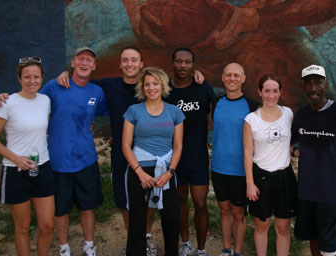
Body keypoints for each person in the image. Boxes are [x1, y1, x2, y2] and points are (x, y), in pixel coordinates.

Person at [55, 46, 204, 256]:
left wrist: (197, 75)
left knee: (159, 207)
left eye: (134, 60)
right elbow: (82, 81)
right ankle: (137, 242)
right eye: (125, 60)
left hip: (158, 161)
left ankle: (147, 238)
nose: (129, 64)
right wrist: (66, 75)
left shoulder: (160, 91)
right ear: (120, 64)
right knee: (129, 206)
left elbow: (182, 84)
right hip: (124, 157)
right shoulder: (110, 86)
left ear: (141, 64)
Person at [0, 47, 109, 256]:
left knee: (88, 207)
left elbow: (102, 111)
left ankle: (89, 246)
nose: (85, 63)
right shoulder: (54, 87)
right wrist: (5, 98)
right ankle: (64, 248)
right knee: (60, 210)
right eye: (81, 59)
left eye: (89, 60)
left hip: (86, 159)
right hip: (57, 161)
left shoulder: (97, 92)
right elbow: (29, 97)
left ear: (94, 66)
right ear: (73, 62)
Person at [291, 64, 336, 256]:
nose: (313, 88)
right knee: (313, 237)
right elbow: (290, 142)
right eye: (309, 84)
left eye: (318, 83)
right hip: (306, 192)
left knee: (329, 245)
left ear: (325, 85)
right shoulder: (302, 116)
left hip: (331, 193)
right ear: (304, 86)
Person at [0, 56, 55, 256]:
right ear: (19, 79)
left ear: (42, 78)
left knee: (48, 225)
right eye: (27, 77)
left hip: (41, 167)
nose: (32, 81)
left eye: (36, 77)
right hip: (15, 170)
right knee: (23, 228)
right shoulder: (7, 103)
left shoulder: (45, 101)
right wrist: (16, 158)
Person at [122, 67, 185, 256]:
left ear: (163, 85)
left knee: (172, 218)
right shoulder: (133, 111)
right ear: (142, 87)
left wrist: (169, 172)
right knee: (138, 219)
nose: (151, 88)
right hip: (139, 169)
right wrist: (140, 172)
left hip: (165, 170)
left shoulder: (174, 112)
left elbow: (178, 146)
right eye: (147, 84)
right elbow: (126, 145)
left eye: (155, 83)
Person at [164, 48, 216, 256]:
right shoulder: (165, 90)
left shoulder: (202, 87)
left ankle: (201, 249)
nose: (183, 66)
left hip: (198, 157)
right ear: (173, 63)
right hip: (174, 158)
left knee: (201, 203)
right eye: (179, 61)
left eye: (187, 62)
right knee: (180, 202)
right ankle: (185, 243)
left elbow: (221, 106)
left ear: (193, 65)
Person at [243, 74, 297, 256]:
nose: (271, 95)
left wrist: (292, 151)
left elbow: (290, 141)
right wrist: (250, 183)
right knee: (261, 225)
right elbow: (247, 153)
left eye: (275, 91)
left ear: (281, 92)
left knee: (283, 227)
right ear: (260, 92)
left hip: (284, 177)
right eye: (267, 91)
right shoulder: (251, 119)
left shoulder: (288, 114)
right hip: (261, 177)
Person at [210, 63, 258, 256]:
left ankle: (237, 251)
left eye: (236, 75)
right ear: (223, 78)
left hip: (241, 170)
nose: (232, 78)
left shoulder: (252, 105)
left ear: (243, 79)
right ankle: (226, 248)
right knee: (224, 211)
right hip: (218, 168)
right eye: (228, 75)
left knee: (238, 213)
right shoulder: (216, 103)